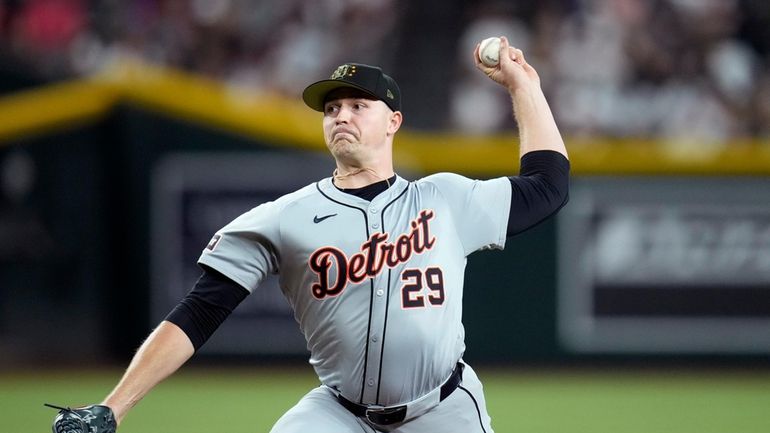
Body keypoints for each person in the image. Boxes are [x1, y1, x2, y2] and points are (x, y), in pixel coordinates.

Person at [55, 36, 569, 433]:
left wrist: (524, 86)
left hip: (444, 407)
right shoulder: (285, 217)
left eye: (357, 106)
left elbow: (548, 186)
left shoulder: (446, 199)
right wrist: (112, 407)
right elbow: (198, 312)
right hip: (338, 412)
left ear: (393, 121)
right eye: (331, 109)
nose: (341, 115)